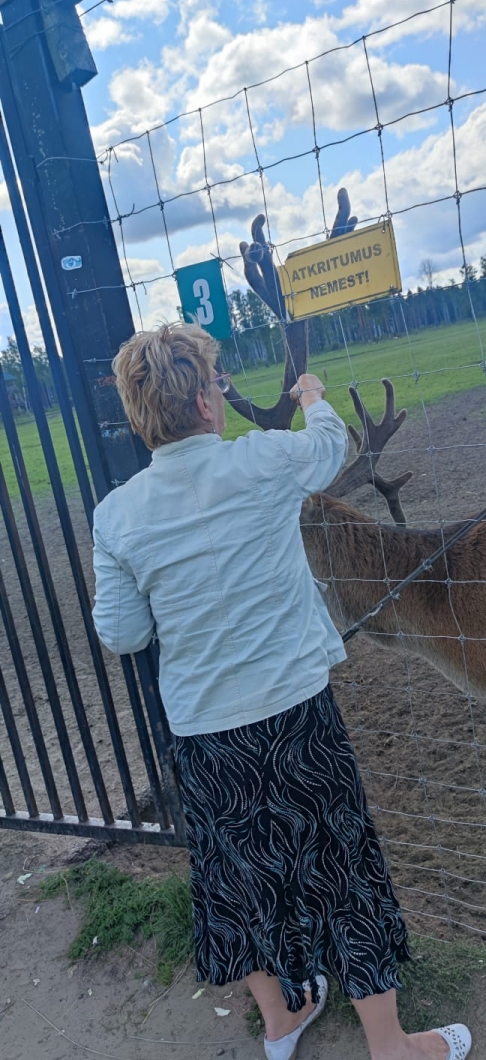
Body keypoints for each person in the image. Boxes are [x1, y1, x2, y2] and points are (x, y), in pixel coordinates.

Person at [92, 322, 471, 1060]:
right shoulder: (262, 459)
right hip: (297, 715)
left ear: (140, 420)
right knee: (343, 871)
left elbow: (124, 633)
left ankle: (282, 1022)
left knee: (237, 878)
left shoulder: (117, 516)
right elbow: (328, 448)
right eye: (217, 383)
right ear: (205, 404)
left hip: (206, 736)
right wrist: (314, 396)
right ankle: (390, 1046)